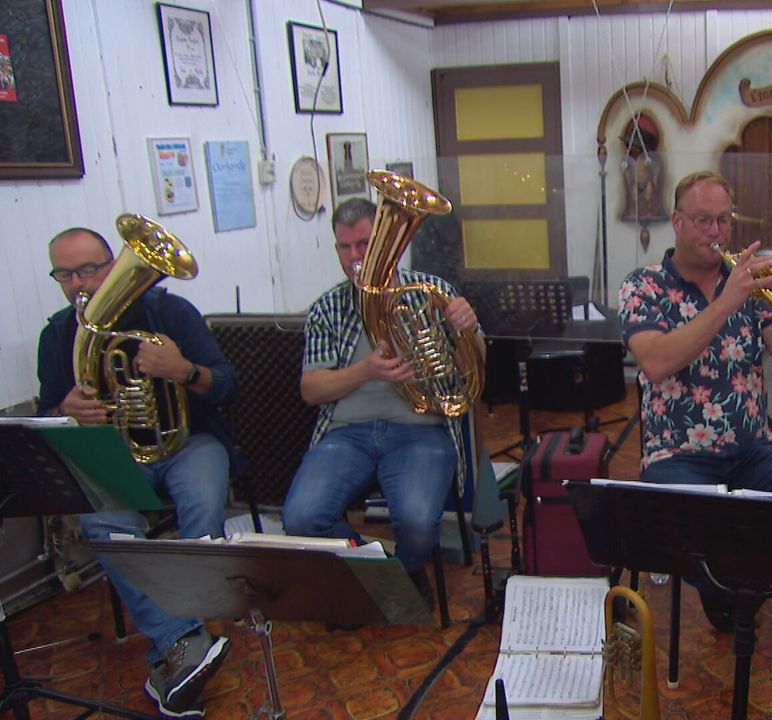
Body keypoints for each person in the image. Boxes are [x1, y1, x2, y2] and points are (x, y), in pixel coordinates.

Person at [618, 171, 772, 706]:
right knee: (714, 540)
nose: (715, 231)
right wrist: (725, 303)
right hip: (677, 453)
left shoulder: (747, 286)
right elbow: (655, 362)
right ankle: (725, 591)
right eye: (703, 220)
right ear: (677, 222)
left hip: (752, 448)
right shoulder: (643, 286)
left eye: (723, 220)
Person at [37, 227, 237, 719]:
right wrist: (65, 410)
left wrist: (182, 370)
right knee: (101, 521)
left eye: (90, 270)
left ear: (113, 266)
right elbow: (46, 417)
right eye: (66, 275)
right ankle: (184, 642)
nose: (80, 284)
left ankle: (176, 649)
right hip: (115, 454)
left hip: (189, 442)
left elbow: (226, 386)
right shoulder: (58, 335)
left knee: (202, 504)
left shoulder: (171, 313)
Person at [282, 197, 483, 596]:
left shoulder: (431, 292)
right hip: (347, 434)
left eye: (363, 244)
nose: (355, 257)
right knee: (301, 519)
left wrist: (469, 328)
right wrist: (365, 371)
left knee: (418, 525)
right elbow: (311, 389)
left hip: (420, 430)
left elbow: (475, 366)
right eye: (345, 247)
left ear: (384, 243)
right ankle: (386, 578)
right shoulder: (327, 307)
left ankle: (391, 576)